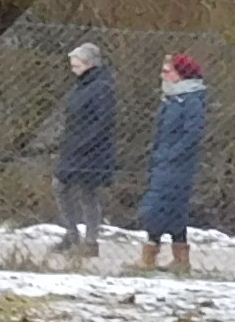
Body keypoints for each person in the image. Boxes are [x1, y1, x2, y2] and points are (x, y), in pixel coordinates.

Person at [134, 52, 209, 272]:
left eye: (167, 71)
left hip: (177, 166)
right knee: (173, 209)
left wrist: (172, 154)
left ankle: (150, 254)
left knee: (159, 205)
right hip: (164, 162)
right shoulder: (172, 99)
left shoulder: (191, 101)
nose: (162, 75)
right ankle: (179, 257)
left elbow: (193, 134)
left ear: (181, 74)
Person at [47, 44, 118, 253]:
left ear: (88, 64)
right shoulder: (84, 85)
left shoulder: (101, 86)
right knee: (61, 186)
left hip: (91, 150)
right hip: (75, 147)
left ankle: (90, 241)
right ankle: (73, 234)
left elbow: (103, 121)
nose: (72, 68)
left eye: (76, 63)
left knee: (88, 193)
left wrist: (84, 143)